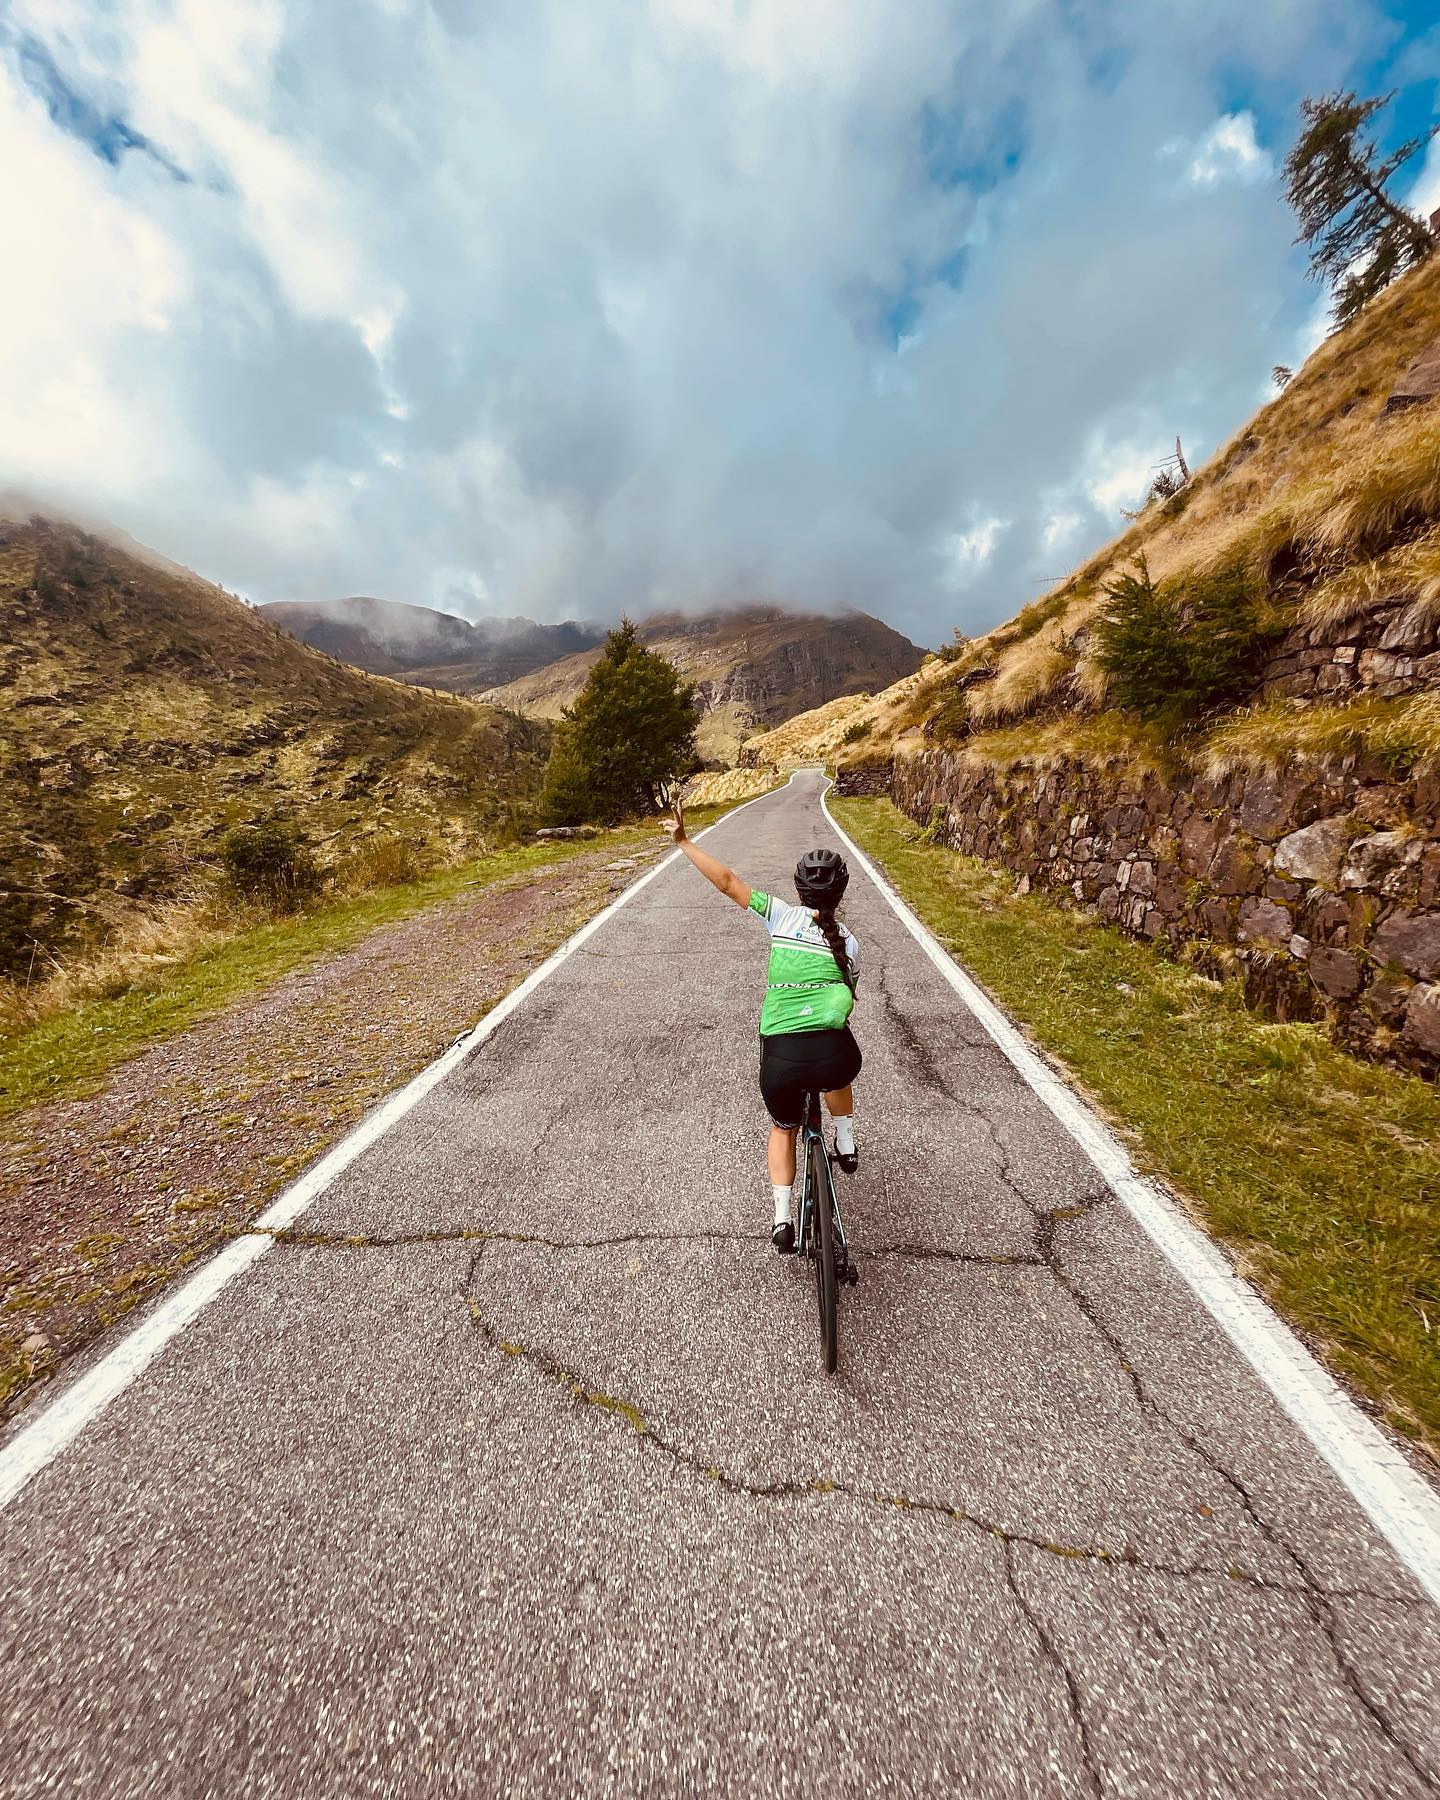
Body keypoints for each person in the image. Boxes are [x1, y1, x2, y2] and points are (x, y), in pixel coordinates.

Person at [661, 794, 862, 1254]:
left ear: (798, 891)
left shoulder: (781, 915)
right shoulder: (849, 943)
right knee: (838, 1052)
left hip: (782, 1060)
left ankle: (782, 1218)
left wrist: (684, 841)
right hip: (833, 1058)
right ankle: (846, 1140)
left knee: (783, 1127)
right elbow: (850, 997)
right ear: (841, 894)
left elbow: (727, 882)